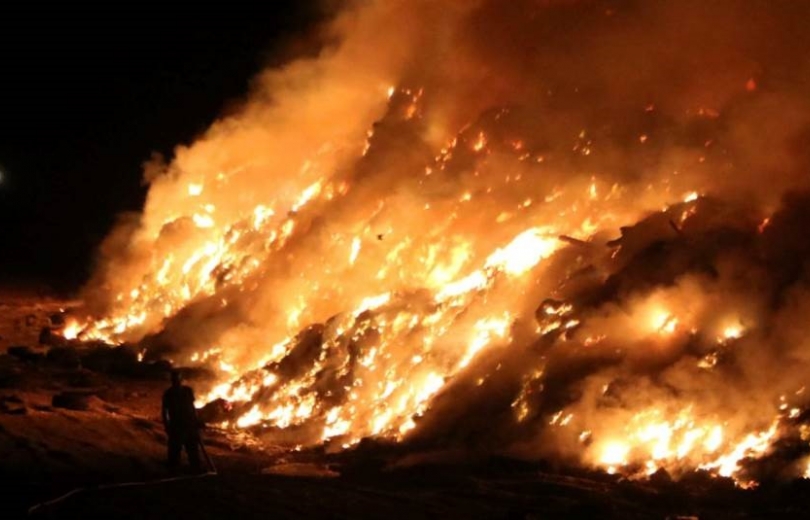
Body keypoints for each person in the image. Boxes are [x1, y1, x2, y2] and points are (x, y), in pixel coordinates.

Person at [161, 370, 201, 472]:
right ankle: (173, 470)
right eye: (175, 379)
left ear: (181, 380)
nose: (177, 381)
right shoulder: (168, 394)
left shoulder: (188, 391)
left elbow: (192, 407)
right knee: (174, 452)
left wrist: (196, 421)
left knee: (193, 449)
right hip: (176, 425)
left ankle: (195, 468)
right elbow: (164, 411)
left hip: (189, 424)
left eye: (178, 379)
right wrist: (167, 426)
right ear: (172, 380)